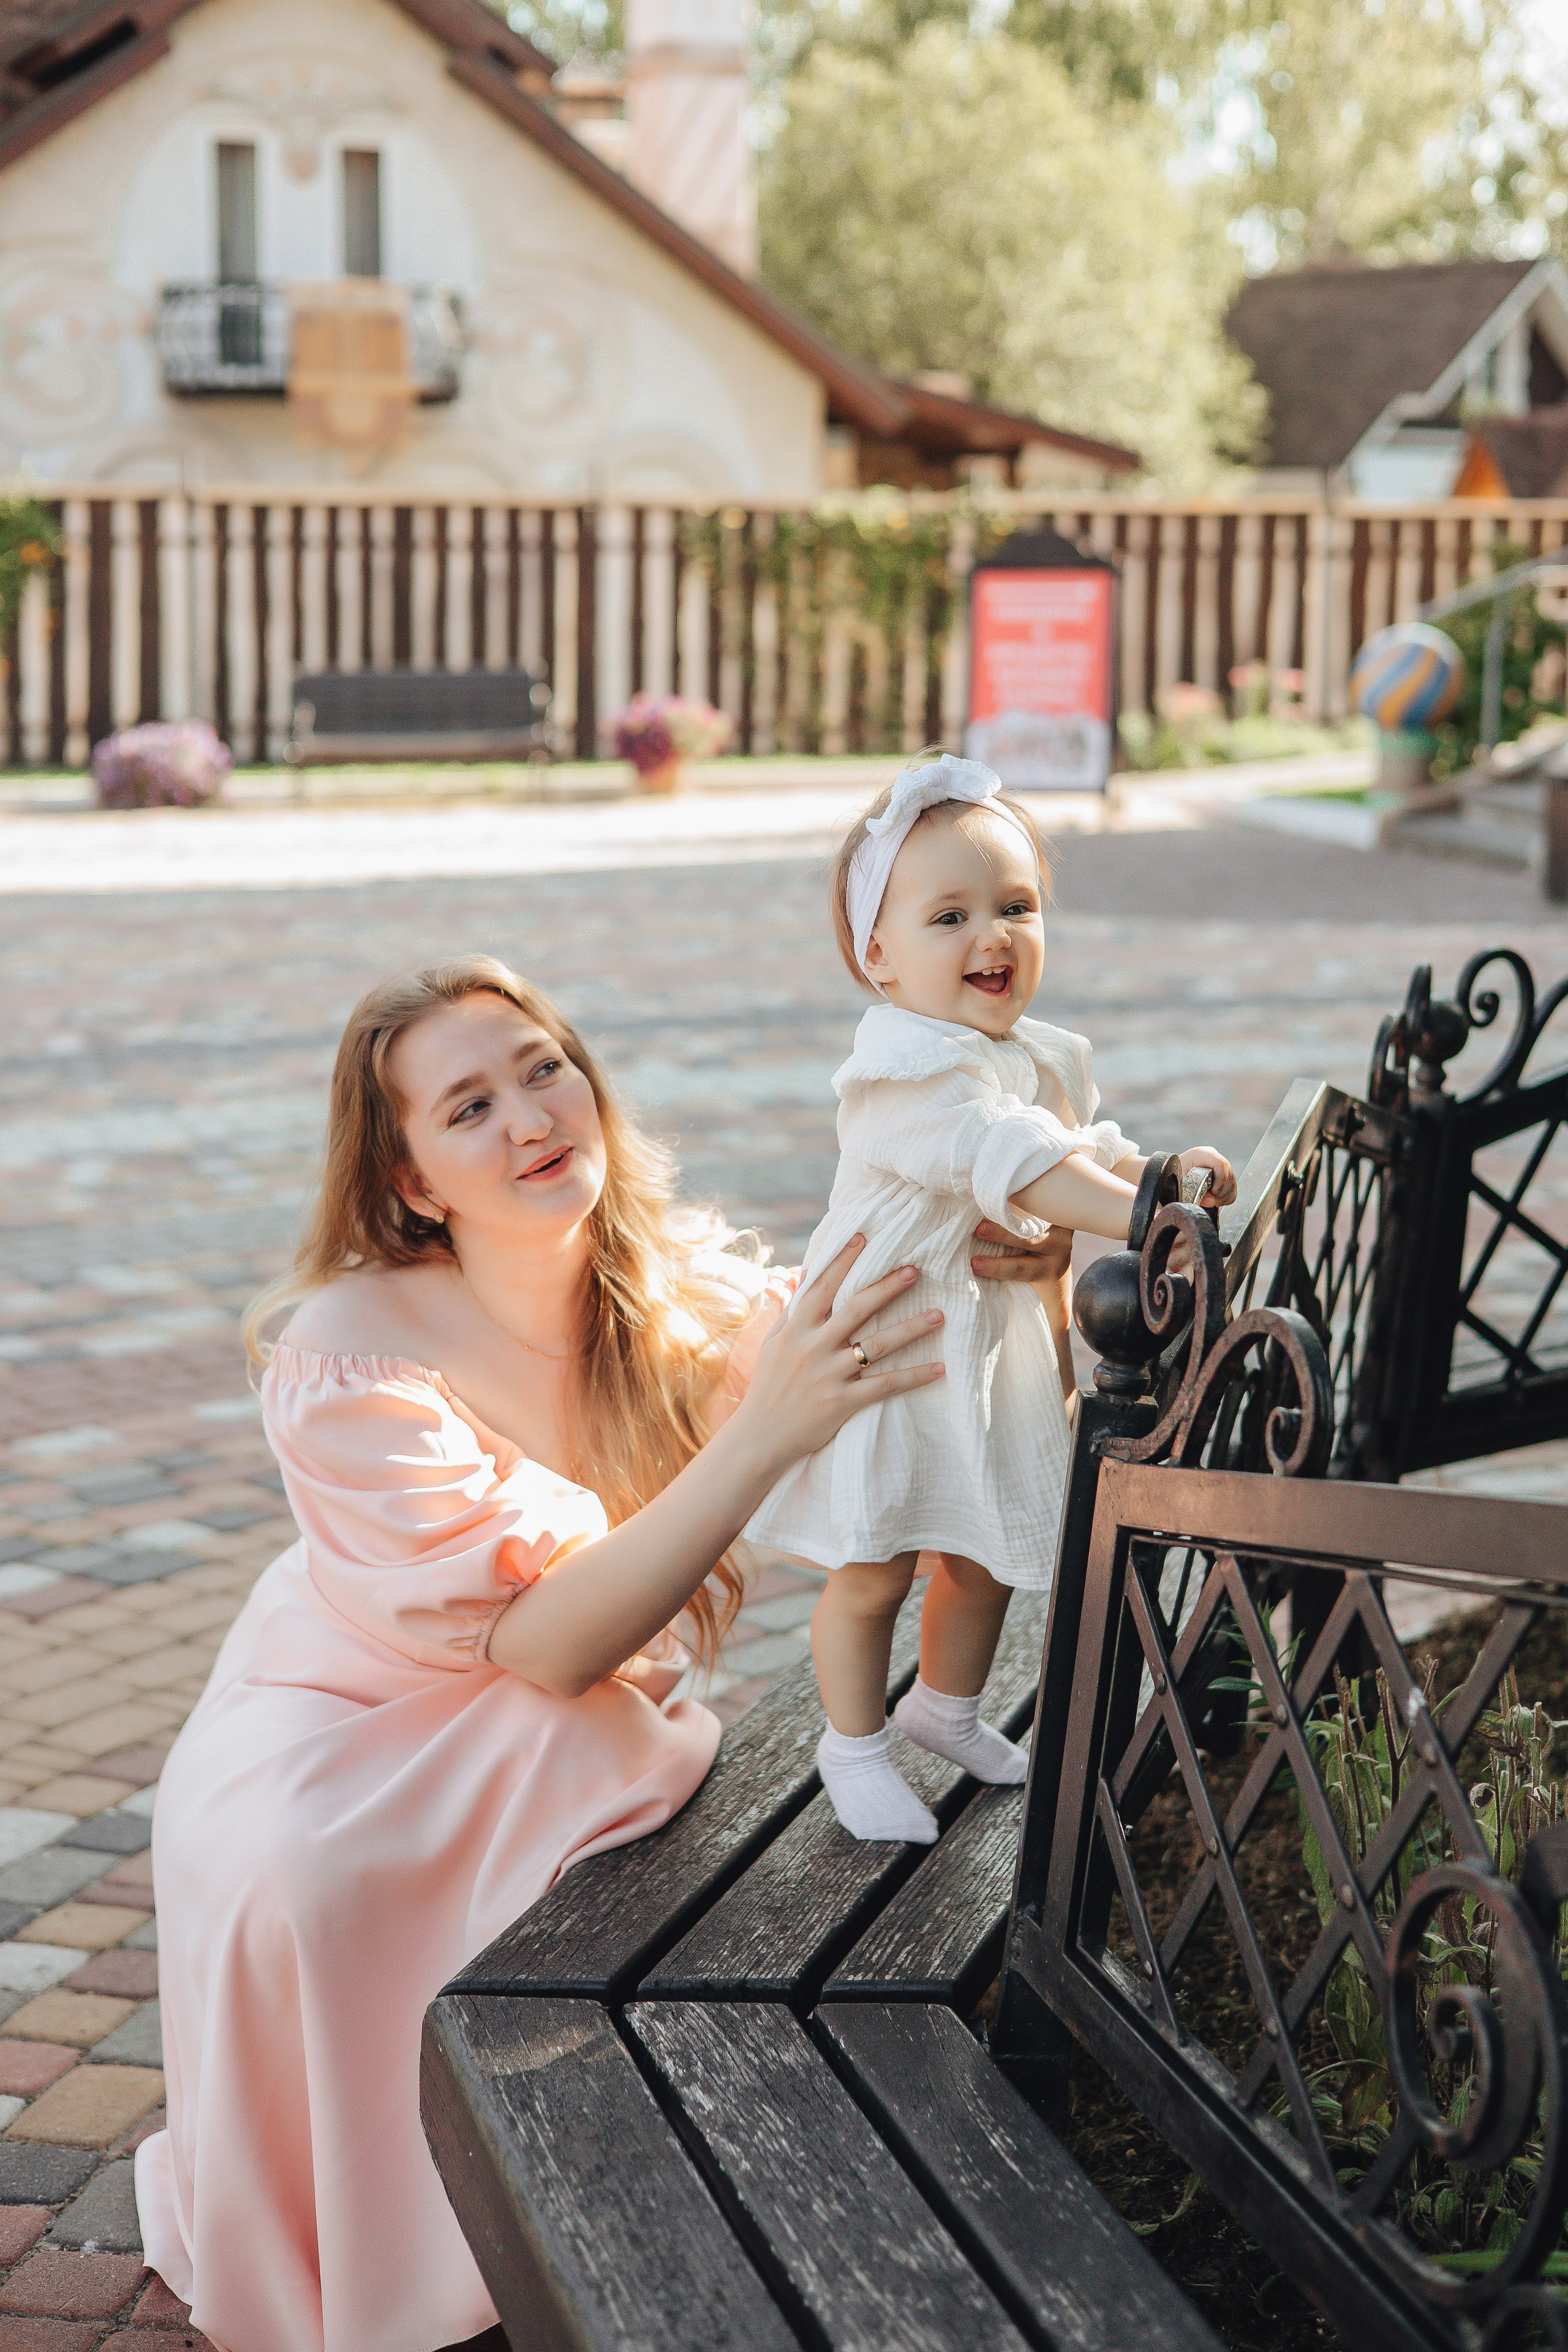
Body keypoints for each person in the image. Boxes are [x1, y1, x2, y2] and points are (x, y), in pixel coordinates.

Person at [132, 954, 960, 2352]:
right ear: (410, 1184)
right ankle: (385, 2243)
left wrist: (986, 1250)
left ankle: (555, 2168)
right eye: (466, 1107)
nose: (528, 1116)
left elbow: (884, 1341)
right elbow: (552, 1647)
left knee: (583, 1764)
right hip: (336, 1712)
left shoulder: (674, 1297)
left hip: (542, 1711)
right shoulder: (347, 1356)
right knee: (322, 1879)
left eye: (541, 1067)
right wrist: (765, 1438)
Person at [746, 756, 1237, 1844]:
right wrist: (1150, 1207)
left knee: (987, 1554)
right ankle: (854, 1745)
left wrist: (1155, 1166)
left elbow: (1075, 1150)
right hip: (886, 1350)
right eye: (950, 915)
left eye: (1017, 907)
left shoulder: (1029, 1053)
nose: (994, 937)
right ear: (879, 956)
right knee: (874, 1572)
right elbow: (1011, 1160)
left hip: (983, 1349)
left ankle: (945, 1709)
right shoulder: (901, 1070)